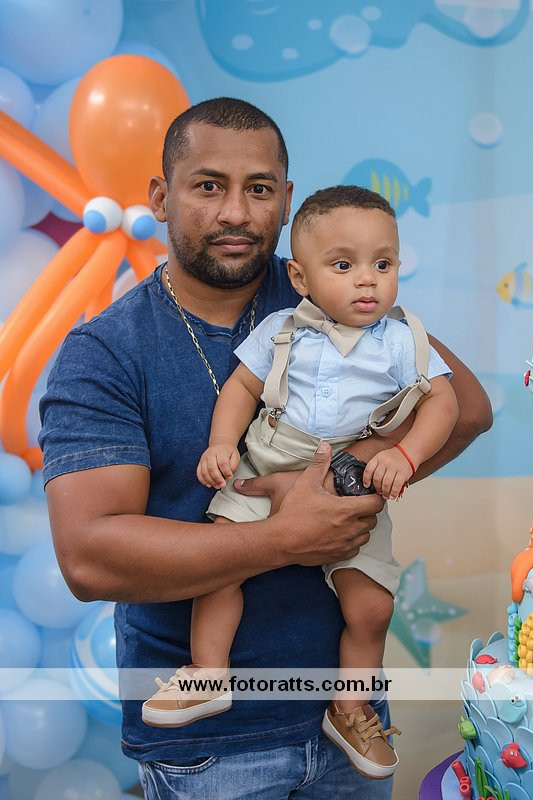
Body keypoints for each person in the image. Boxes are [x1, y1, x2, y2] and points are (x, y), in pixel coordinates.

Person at [39, 98, 492, 800]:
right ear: (160, 197)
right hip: (207, 749)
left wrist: (342, 471)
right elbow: (89, 556)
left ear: (284, 200)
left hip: (348, 724)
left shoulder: (335, 284)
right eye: (208, 186)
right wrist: (285, 535)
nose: (235, 213)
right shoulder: (106, 352)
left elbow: (466, 410)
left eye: (258, 189)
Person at [141, 185, 459, 781]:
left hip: (349, 478)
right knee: (221, 561)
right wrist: (221, 444)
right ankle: (208, 673)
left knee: (373, 606)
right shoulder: (283, 328)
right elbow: (242, 388)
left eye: (383, 264)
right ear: (300, 277)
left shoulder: (401, 338)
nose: (366, 281)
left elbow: (444, 403)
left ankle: (350, 707)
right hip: (266, 459)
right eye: (343, 265)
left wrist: (406, 455)